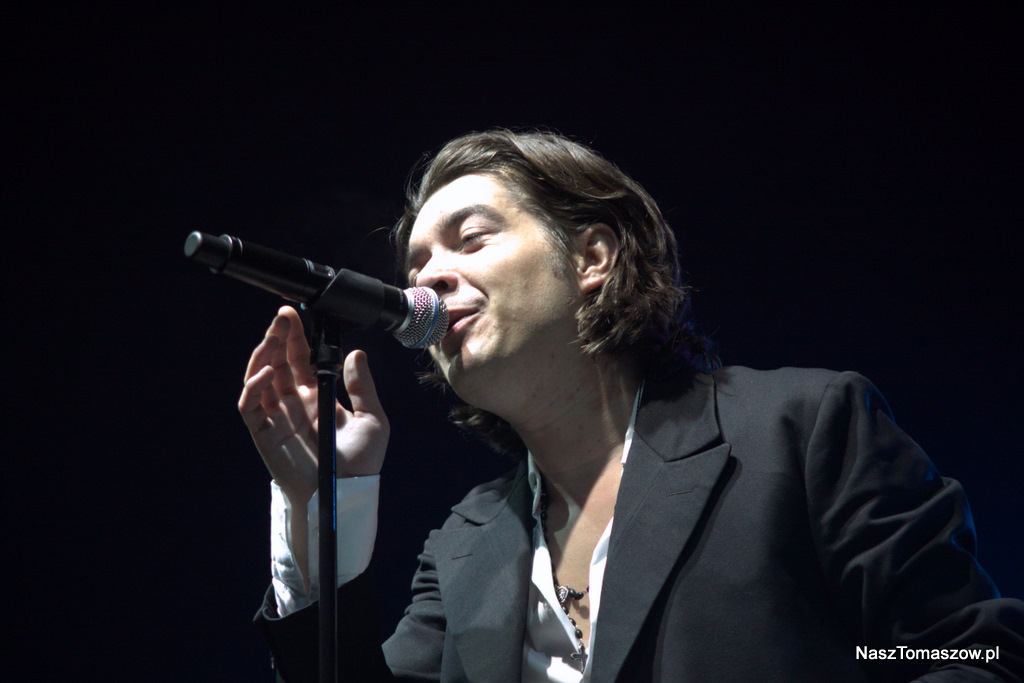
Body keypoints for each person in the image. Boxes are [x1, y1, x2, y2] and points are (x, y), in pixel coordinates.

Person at [242, 130, 1024, 681]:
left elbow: (969, 651)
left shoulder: (802, 427)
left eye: (470, 239)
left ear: (592, 256)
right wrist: (318, 509)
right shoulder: (462, 546)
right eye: (417, 264)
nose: (428, 280)